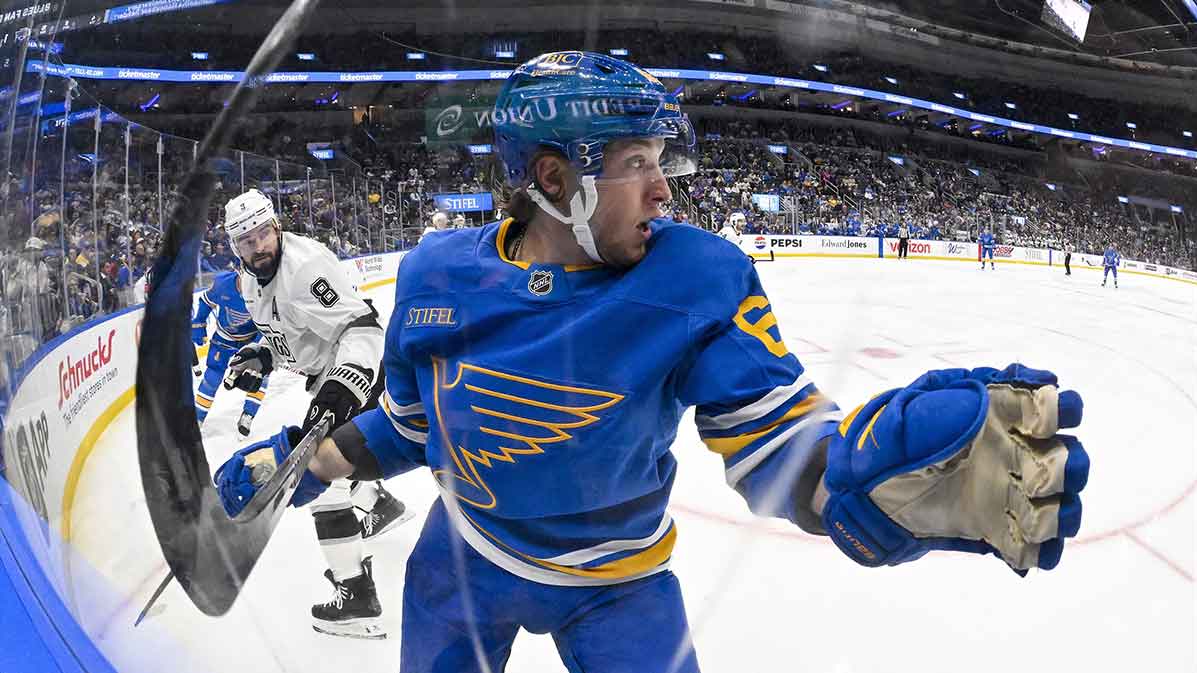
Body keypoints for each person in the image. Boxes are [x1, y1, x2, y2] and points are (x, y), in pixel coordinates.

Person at [215, 52, 1089, 672]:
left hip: (618, 586)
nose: (665, 190)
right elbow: (408, 427)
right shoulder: (437, 274)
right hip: (464, 561)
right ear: (556, 181)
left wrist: (848, 477)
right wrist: (298, 455)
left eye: (660, 163)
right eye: (639, 164)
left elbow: (776, 438)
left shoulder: (698, 277)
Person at [217, 188, 412, 639]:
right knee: (334, 468)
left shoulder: (306, 267)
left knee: (320, 483)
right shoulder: (250, 281)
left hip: (358, 367)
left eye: (264, 232)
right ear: (235, 247)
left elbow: (362, 327)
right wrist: (262, 356)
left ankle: (357, 597)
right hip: (326, 376)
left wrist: (343, 386)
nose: (259, 244)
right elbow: (286, 333)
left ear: (276, 226)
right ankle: (378, 504)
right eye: (247, 240)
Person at [191, 270, 270, 437]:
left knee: (259, 375)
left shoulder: (266, 288)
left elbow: (268, 321)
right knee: (212, 376)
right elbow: (206, 301)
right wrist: (198, 321)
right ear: (239, 272)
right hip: (224, 338)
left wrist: (257, 347)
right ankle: (197, 419)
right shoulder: (223, 283)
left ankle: (248, 415)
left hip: (252, 338)